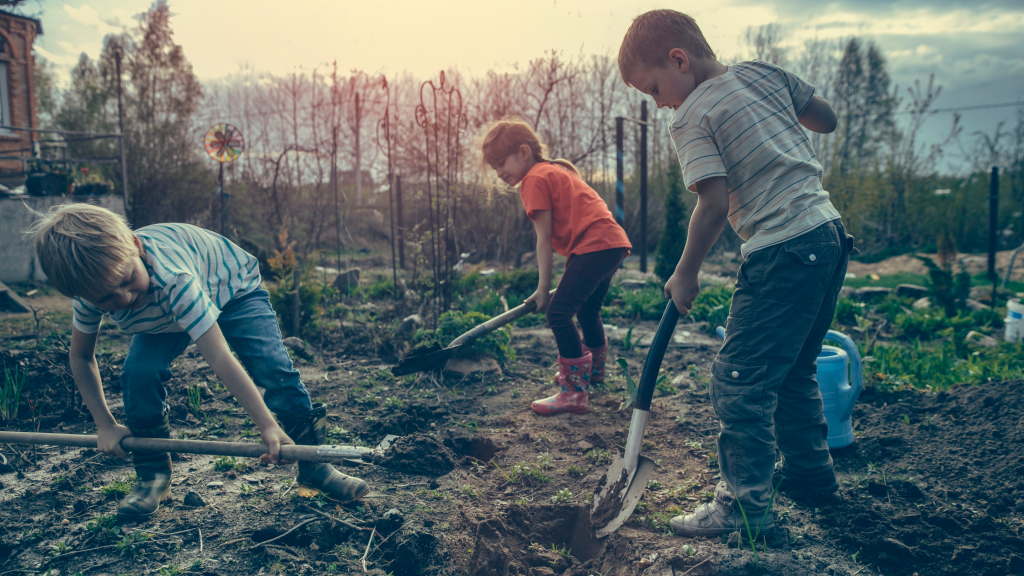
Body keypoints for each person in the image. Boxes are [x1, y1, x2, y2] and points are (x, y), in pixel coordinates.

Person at [618, 10, 852, 538]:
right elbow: (825, 118)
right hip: (828, 235)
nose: (659, 104)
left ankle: (743, 507)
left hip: (782, 250)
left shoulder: (691, 118)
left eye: (654, 88)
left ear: (679, 59)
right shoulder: (763, 73)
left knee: (738, 380)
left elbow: (714, 203)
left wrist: (685, 274)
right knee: (793, 369)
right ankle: (812, 481)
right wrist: (769, 117)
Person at [28, 203, 368, 519]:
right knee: (138, 374)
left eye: (126, 281)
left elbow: (219, 355)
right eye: (106, 299)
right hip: (163, 316)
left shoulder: (174, 279)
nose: (125, 299)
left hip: (233, 290)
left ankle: (315, 467)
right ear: (82, 295)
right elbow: (80, 356)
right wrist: (105, 424)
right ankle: (152, 475)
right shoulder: (92, 291)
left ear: (136, 247)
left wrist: (266, 425)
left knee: (271, 365)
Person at [482, 119, 632, 415]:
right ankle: (593, 373)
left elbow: (544, 239)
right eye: (494, 168)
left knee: (558, 312)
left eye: (501, 164)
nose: (499, 174)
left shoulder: (534, 179)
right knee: (588, 310)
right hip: (611, 242)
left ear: (523, 152)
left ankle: (574, 392)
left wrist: (542, 290)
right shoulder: (552, 170)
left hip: (595, 244)